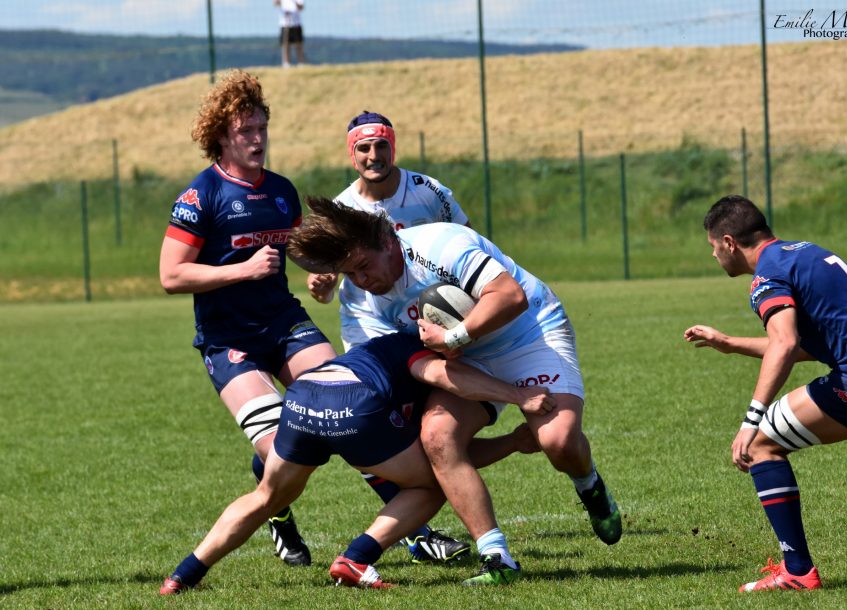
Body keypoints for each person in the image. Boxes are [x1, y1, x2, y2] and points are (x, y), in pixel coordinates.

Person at [288, 197, 623, 586]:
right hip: (464, 361)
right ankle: (497, 559)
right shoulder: (357, 298)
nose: (362, 281)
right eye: (351, 273)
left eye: (364, 267)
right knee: (437, 437)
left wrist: (455, 335)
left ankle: (589, 485)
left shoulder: (439, 244)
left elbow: (509, 296)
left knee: (559, 441)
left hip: (529, 333)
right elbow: (394, 362)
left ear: (387, 239)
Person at [159, 331, 555, 593]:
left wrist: (510, 443)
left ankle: (183, 576)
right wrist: (518, 396)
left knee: (266, 496)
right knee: (432, 487)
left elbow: (445, 456)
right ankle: (357, 559)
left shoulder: (381, 346)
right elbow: (439, 377)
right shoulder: (417, 348)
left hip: (303, 396)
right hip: (352, 405)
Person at [683, 195, 847, 592]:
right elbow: (812, 344)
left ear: (728, 242)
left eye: (712, 249)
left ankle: (797, 570)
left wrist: (750, 419)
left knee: (759, 445)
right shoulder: (803, 253)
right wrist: (728, 342)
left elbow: (785, 344)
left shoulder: (767, 275)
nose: (714, 257)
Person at [159, 70, 336, 568]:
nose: (257, 140)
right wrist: (240, 271)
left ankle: (413, 530)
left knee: (349, 403)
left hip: (284, 324)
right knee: (285, 448)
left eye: (262, 129)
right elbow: (171, 276)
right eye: (245, 132)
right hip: (228, 340)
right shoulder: (201, 196)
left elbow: (301, 251)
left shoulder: (281, 190)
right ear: (221, 137)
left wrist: (322, 276)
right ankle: (279, 517)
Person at [307, 110, 476, 563]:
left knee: (432, 426)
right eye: (363, 148)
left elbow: (467, 239)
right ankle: (416, 530)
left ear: (393, 148)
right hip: (368, 327)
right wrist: (323, 286)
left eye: (380, 145)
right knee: (376, 421)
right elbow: (327, 281)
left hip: (425, 321)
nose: (373, 155)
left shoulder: (427, 192)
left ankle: (421, 510)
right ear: (351, 154)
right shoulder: (342, 210)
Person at [275, 0, 305, 68]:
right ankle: (286, 63)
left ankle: (301, 63)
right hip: (284, 23)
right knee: (285, 44)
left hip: (296, 23)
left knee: (298, 44)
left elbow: (301, 7)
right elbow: (276, 3)